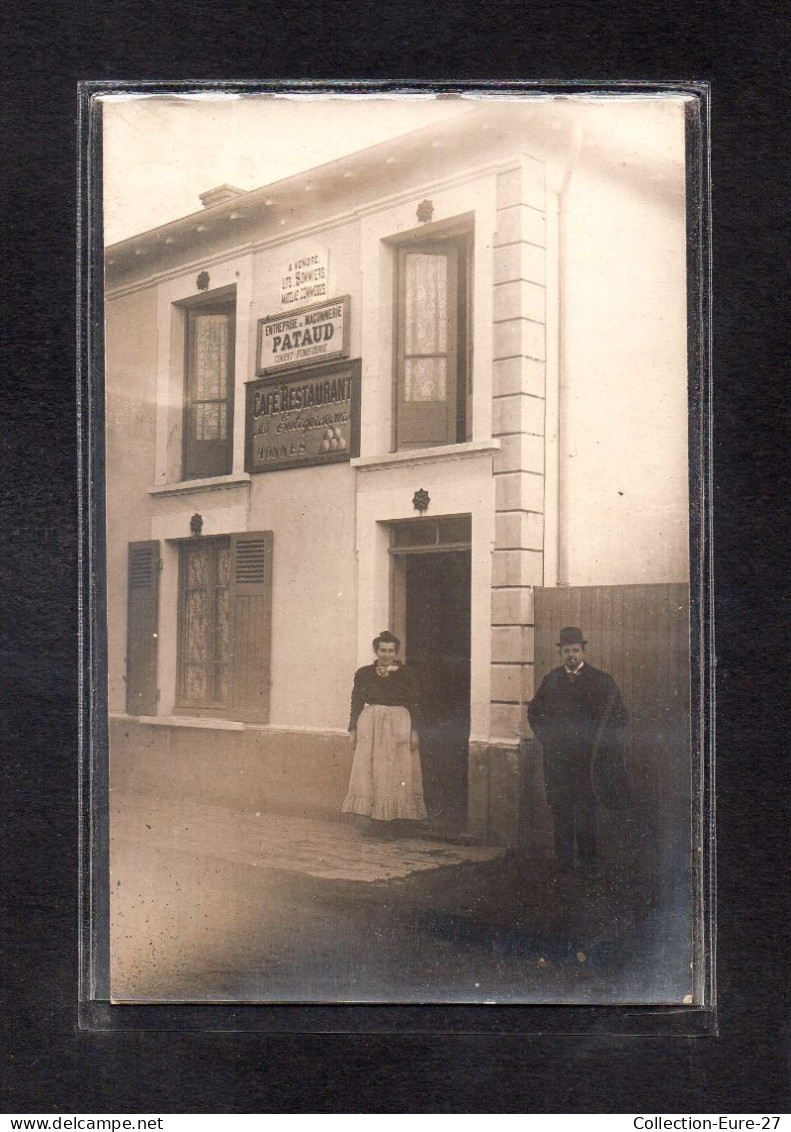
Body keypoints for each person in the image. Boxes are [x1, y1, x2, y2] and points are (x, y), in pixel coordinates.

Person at [527, 626, 628, 874]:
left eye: (575, 650)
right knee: (561, 812)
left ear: (584, 651)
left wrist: (601, 748)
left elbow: (619, 718)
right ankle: (563, 865)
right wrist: (548, 740)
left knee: (586, 812)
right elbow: (534, 713)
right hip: (558, 761)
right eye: (566, 650)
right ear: (560, 652)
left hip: (588, 762)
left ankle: (588, 866)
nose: (571, 655)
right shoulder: (551, 680)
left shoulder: (602, 681)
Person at [342, 630, 427, 830]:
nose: (386, 654)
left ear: (396, 652)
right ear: (376, 651)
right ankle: (376, 820)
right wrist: (353, 730)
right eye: (383, 650)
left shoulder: (407, 674)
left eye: (391, 651)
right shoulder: (364, 674)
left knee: (397, 772)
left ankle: (394, 821)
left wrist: (414, 731)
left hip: (399, 725)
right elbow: (356, 702)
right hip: (370, 727)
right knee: (373, 772)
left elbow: (415, 703)